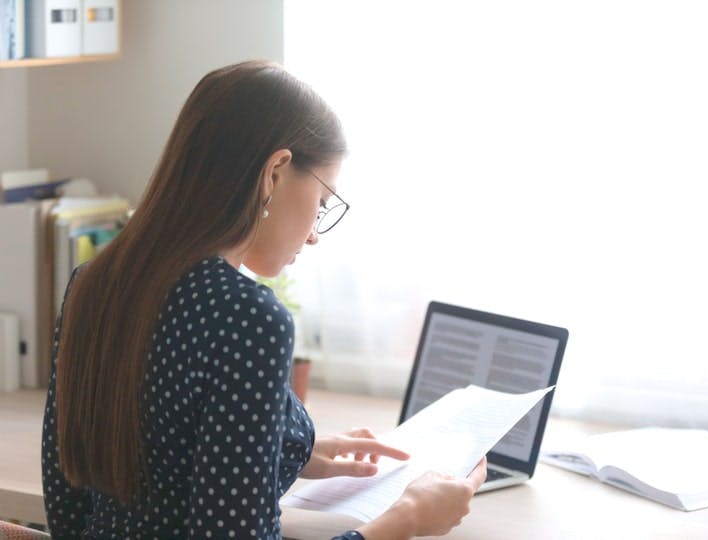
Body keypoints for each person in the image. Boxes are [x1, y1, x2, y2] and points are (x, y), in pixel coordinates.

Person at [42, 60, 487, 539]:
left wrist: (287, 451)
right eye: (322, 203)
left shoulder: (91, 285)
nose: (316, 233)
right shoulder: (247, 317)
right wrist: (407, 520)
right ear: (275, 172)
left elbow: (69, 507)